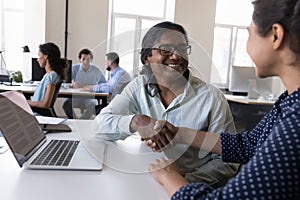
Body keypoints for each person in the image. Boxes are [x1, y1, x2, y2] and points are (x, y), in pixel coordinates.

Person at [147, 0, 300, 199]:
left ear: (276, 36)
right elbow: (248, 145)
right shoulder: (288, 101)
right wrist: (180, 134)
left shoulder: (296, 121)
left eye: (249, 32)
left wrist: (169, 176)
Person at [92, 21, 240, 187]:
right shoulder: (138, 87)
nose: (176, 56)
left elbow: (229, 161)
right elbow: (99, 125)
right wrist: (136, 122)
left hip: (190, 188)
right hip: (147, 181)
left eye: (182, 49)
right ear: (147, 57)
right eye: (166, 49)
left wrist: (184, 178)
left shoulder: (212, 98)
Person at [62, 48, 106, 119]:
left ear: (91, 60)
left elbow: (104, 84)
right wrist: (70, 85)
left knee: (94, 104)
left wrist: (90, 87)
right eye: (83, 59)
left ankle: (81, 121)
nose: (85, 61)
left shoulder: (96, 70)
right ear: (80, 59)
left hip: (90, 97)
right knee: (66, 104)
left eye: (88, 59)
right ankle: (75, 120)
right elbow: (64, 83)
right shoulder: (74, 68)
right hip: (76, 96)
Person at [27, 42, 68, 109]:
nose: (37, 59)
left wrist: (27, 102)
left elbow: (45, 104)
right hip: (34, 109)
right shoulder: (50, 75)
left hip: (37, 112)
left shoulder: (52, 76)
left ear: (46, 56)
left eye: (39, 55)